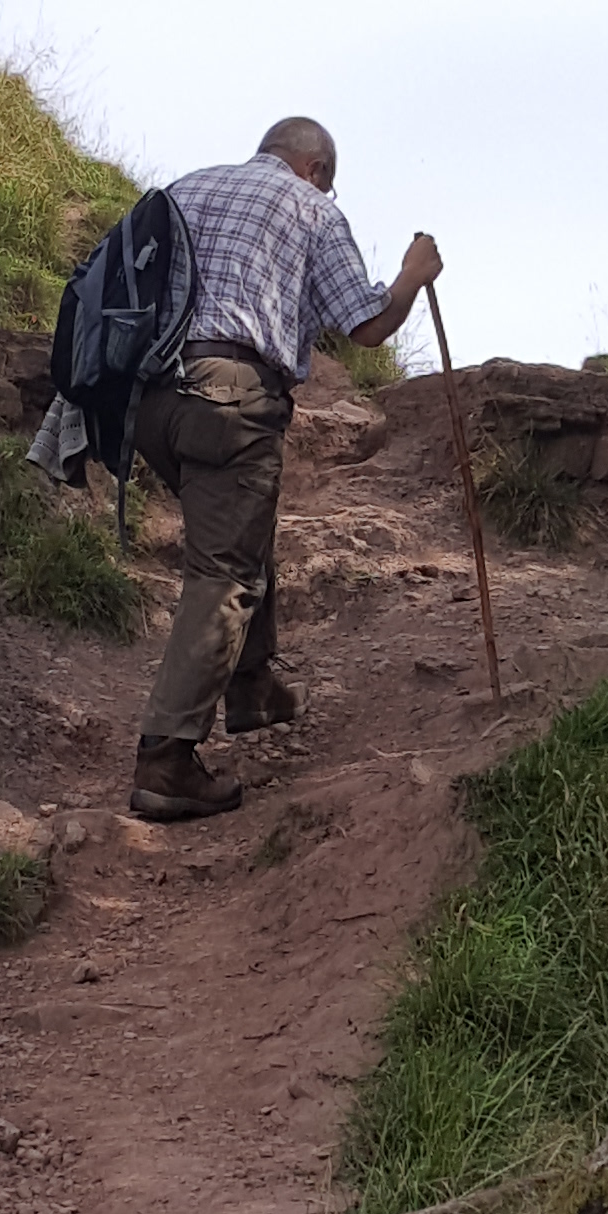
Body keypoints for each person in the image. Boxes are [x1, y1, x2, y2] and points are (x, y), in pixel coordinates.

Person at [127, 120, 442, 824]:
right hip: (228, 395)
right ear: (316, 167)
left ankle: (253, 686)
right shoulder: (312, 207)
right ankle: (166, 761)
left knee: (239, 526)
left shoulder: (186, 187)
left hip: (147, 402)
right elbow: (364, 326)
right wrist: (411, 277)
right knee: (224, 574)